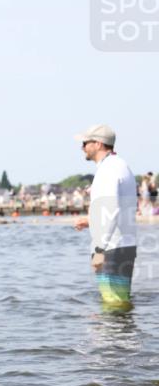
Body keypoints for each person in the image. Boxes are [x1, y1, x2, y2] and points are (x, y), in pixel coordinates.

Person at [72, 124, 137, 309]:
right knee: (117, 302)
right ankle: (115, 335)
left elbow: (113, 209)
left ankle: (112, 337)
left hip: (112, 247)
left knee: (114, 304)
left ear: (98, 144)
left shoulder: (109, 169)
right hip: (120, 244)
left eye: (85, 143)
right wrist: (90, 221)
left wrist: (99, 250)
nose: (82, 147)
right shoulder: (117, 165)